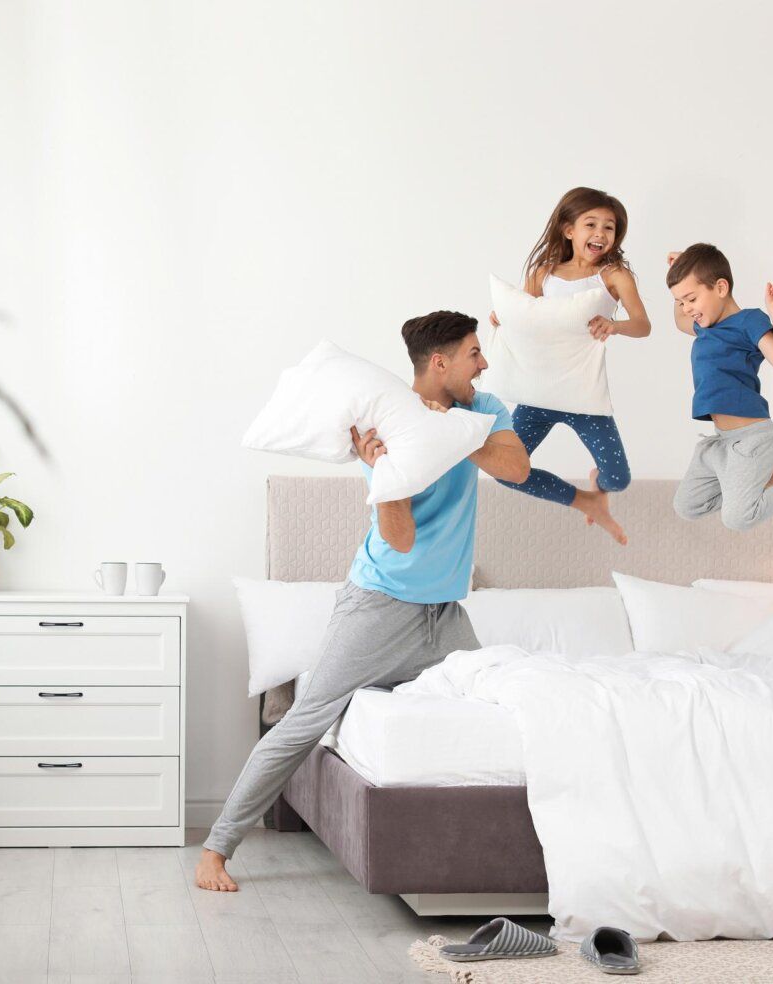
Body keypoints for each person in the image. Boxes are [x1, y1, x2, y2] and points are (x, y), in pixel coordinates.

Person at [196, 311, 528, 892]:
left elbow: (518, 467)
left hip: (446, 614)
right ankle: (216, 850)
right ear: (439, 362)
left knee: (499, 703)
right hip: (379, 606)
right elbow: (400, 540)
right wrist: (386, 468)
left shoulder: (483, 409)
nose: (485, 363)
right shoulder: (386, 426)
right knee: (302, 722)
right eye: (474, 353)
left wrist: (454, 433)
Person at [488, 186, 651, 543]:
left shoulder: (614, 276)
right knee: (506, 471)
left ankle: (600, 488)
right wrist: (502, 318)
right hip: (538, 395)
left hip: (584, 396)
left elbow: (643, 325)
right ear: (568, 230)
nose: (600, 234)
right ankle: (586, 502)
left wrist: (616, 325)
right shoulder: (544, 273)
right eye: (590, 224)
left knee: (618, 479)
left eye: (609, 227)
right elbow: (525, 319)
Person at [666, 243, 773, 530]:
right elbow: (680, 320)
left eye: (691, 298)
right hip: (720, 444)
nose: (686, 308)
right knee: (687, 506)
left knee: (738, 518)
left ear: (720, 287)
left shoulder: (748, 321)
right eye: (681, 301)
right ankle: (764, 475)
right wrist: (678, 271)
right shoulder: (703, 328)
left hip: (752, 440)